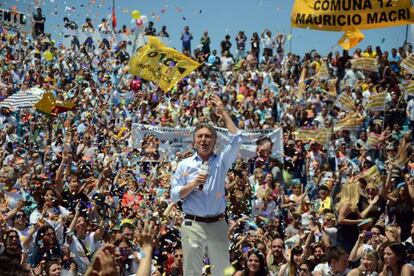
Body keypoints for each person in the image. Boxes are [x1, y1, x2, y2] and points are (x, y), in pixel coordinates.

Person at [171, 95, 241, 275]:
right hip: (192, 223)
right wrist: (194, 183)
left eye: (208, 136)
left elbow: (237, 139)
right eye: (200, 136)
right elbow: (175, 194)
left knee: (221, 270)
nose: (204, 139)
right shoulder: (184, 165)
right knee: (192, 271)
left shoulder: (221, 162)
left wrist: (223, 112)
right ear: (194, 141)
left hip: (217, 223)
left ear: (214, 141)